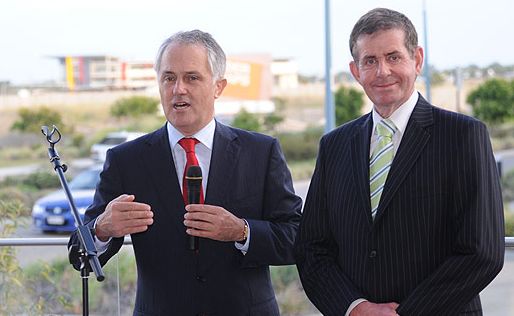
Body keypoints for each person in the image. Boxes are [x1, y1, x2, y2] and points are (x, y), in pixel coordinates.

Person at [68, 29, 302, 315]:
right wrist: (101, 229)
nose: (178, 89)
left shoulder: (261, 152)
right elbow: (78, 256)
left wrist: (242, 231)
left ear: (219, 86)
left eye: (192, 77)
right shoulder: (125, 160)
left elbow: (295, 237)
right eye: (169, 78)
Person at [294, 8, 504, 316]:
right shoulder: (334, 145)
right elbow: (312, 247)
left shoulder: (463, 136)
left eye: (393, 57)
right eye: (370, 61)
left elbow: (482, 252)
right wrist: (355, 308)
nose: (382, 71)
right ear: (355, 71)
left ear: (417, 60)